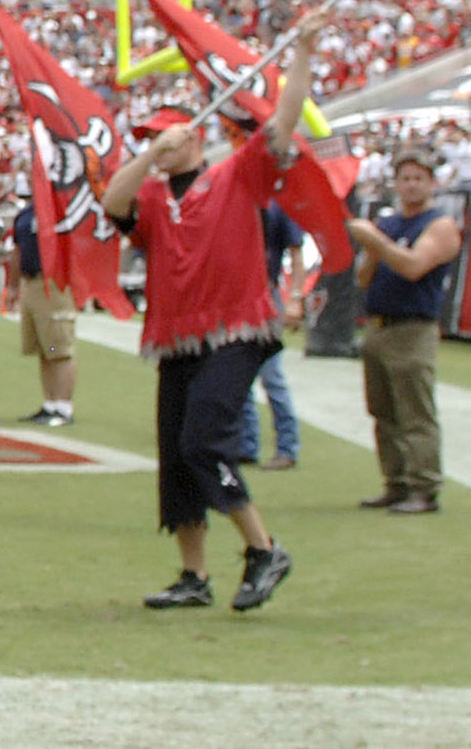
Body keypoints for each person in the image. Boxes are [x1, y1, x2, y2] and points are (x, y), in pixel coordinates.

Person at [100, 34, 315, 613]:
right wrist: (148, 155)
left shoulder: (234, 175)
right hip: (177, 337)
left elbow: (283, 120)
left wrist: (302, 52)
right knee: (175, 458)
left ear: (194, 135)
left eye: (163, 137)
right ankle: (194, 573)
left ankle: (263, 548)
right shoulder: (150, 194)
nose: (156, 146)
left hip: (236, 328)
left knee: (203, 441)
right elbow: (112, 202)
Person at [347, 143, 462, 513]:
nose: (411, 185)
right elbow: (364, 276)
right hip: (378, 325)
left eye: (418, 178)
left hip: (413, 328)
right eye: (405, 178)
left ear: (431, 183)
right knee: (383, 411)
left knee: (415, 412)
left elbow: (414, 266)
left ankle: (424, 486)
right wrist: (373, 246)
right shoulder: (390, 223)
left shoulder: (439, 225)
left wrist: (376, 241)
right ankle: (395, 481)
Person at [237, 204, 303, 470]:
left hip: (265, 293)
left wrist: (295, 298)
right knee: (237, 372)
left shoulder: (277, 205)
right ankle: (245, 445)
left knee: (271, 375)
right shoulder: (234, 198)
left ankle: (287, 447)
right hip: (237, 295)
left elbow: (297, 255)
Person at [9, 196, 77, 428]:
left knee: (59, 347)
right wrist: (14, 286)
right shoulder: (26, 213)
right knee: (43, 347)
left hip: (53, 283)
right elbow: (17, 250)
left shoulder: (61, 209)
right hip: (31, 283)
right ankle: (49, 403)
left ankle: (63, 406)